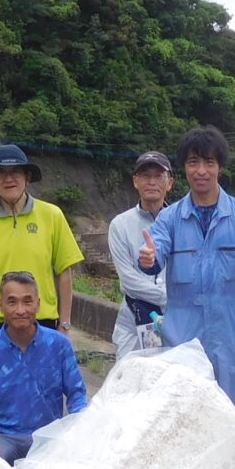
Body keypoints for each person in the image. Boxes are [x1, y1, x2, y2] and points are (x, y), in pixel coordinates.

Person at [136, 126, 235, 413]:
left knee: (231, 411)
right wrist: (150, 258)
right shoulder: (170, 218)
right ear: (184, 168)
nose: (201, 170)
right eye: (193, 162)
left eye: (209, 162)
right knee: (183, 412)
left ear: (220, 167)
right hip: (183, 334)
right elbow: (155, 250)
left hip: (230, 332)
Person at [0, 142, 84, 347]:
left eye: (16, 172)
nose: (9, 179)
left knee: (43, 380)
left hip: (42, 321)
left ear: (27, 177)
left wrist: (64, 325)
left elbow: (64, 271)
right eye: (1, 173)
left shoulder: (52, 215)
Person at [0, 272, 88, 463]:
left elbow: (76, 394)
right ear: (1, 306)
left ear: (38, 304)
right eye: (12, 302)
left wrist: (81, 425)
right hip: (3, 436)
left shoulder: (58, 344)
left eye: (27, 302)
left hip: (49, 436)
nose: (20, 310)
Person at [106, 150, 172, 357]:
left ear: (170, 183)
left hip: (175, 319)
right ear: (135, 181)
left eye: (158, 176)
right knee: (130, 380)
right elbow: (128, 281)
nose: (151, 181)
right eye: (145, 175)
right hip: (134, 317)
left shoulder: (180, 221)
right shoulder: (120, 224)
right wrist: (170, 298)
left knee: (171, 380)